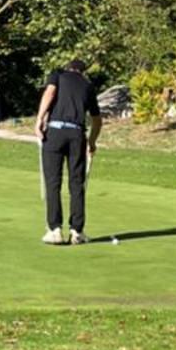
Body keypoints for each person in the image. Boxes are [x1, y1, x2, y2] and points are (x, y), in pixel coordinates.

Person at [35, 58, 101, 246]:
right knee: (76, 183)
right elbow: (97, 120)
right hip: (77, 135)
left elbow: (50, 92)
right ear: (82, 71)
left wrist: (39, 119)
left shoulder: (58, 75)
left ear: (68, 68)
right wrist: (92, 142)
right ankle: (77, 231)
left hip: (55, 132)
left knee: (53, 182)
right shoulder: (88, 86)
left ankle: (55, 229)